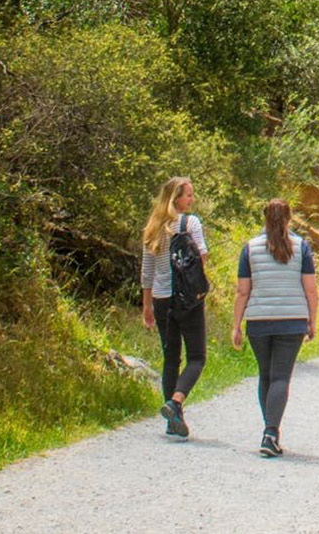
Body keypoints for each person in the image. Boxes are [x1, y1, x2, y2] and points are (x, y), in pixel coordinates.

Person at [230, 197, 319, 456]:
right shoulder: (301, 247)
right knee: (281, 377)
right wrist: (312, 320)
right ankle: (270, 432)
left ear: (264, 218)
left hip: (258, 321)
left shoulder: (250, 248)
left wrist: (237, 325)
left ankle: (270, 430)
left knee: (266, 375)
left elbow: (242, 291)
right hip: (292, 321)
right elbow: (311, 289)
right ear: (289, 219)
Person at [139, 176, 208, 439]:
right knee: (197, 357)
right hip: (186, 298)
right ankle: (176, 402)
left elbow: (147, 271)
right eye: (188, 195)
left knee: (170, 358)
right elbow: (202, 256)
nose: (192, 199)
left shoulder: (153, 227)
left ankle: (172, 421)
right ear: (175, 198)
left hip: (160, 298)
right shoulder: (189, 223)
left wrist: (147, 305)